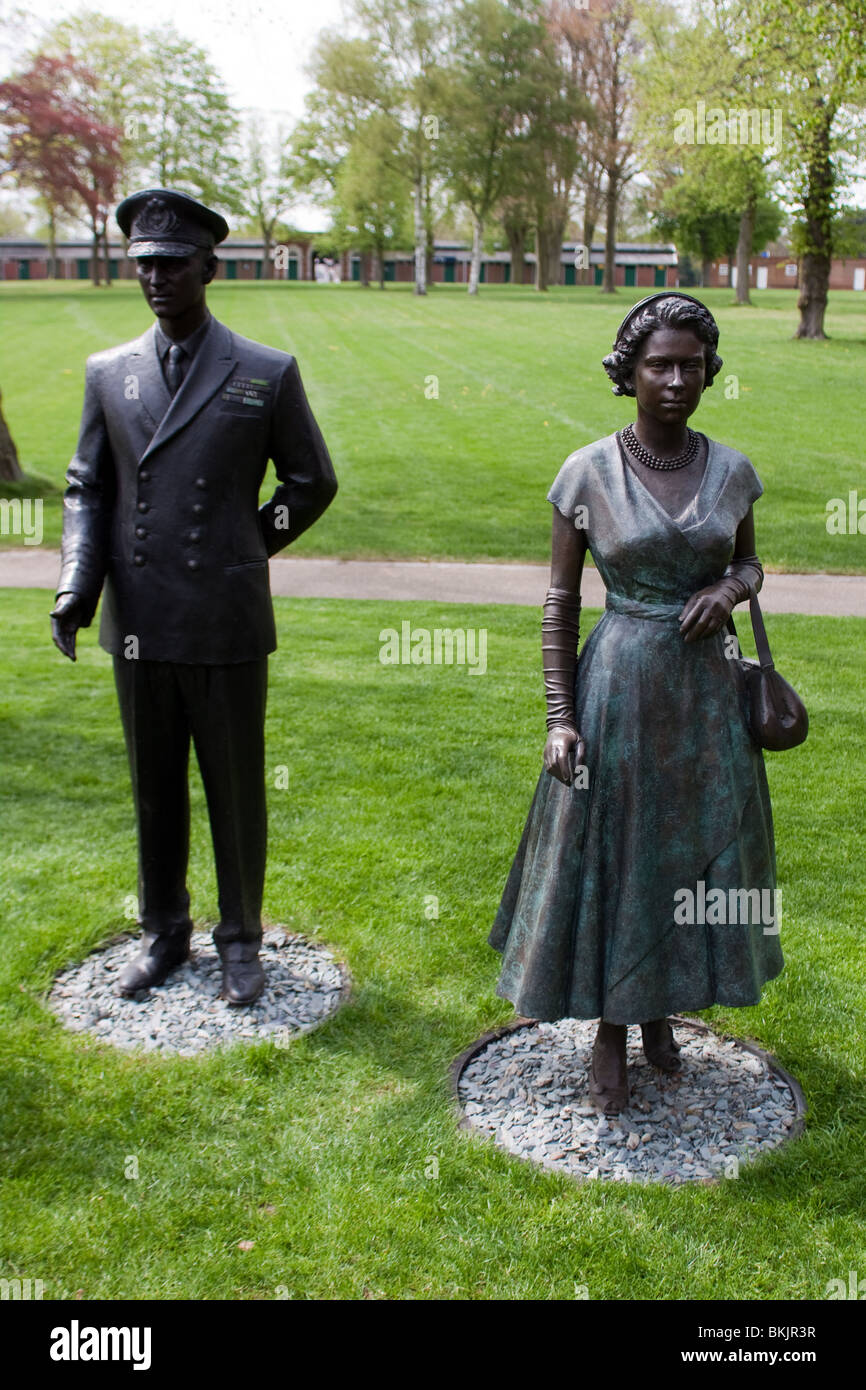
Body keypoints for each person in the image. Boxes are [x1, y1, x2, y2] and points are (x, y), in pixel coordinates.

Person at [489, 293, 783, 1113]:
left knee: (688, 851)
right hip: (619, 684)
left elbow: (754, 566)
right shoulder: (587, 472)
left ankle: (660, 1010)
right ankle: (612, 1032)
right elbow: (558, 603)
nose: (677, 379)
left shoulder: (731, 470)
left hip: (707, 696)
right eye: (660, 363)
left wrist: (729, 586)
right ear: (629, 371)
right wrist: (560, 715)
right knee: (619, 856)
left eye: (692, 363)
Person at [51, 188, 338, 1006]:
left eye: (173, 264)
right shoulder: (109, 373)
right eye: (144, 264)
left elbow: (312, 481)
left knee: (236, 784)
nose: (156, 278)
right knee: (154, 786)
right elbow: (86, 487)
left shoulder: (263, 371)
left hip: (225, 617)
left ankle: (242, 937)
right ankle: (164, 931)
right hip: (138, 618)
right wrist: (79, 581)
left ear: (210, 268)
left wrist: (249, 542)